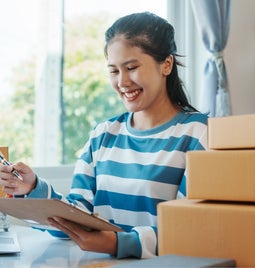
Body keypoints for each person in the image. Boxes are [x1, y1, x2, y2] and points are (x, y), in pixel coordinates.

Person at [0, 12, 208, 259]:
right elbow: (77, 215)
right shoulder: (103, 134)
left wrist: (116, 243)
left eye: (131, 68)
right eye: (113, 71)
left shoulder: (199, 134)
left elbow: (193, 229)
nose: (122, 82)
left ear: (166, 64)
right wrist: (33, 188)